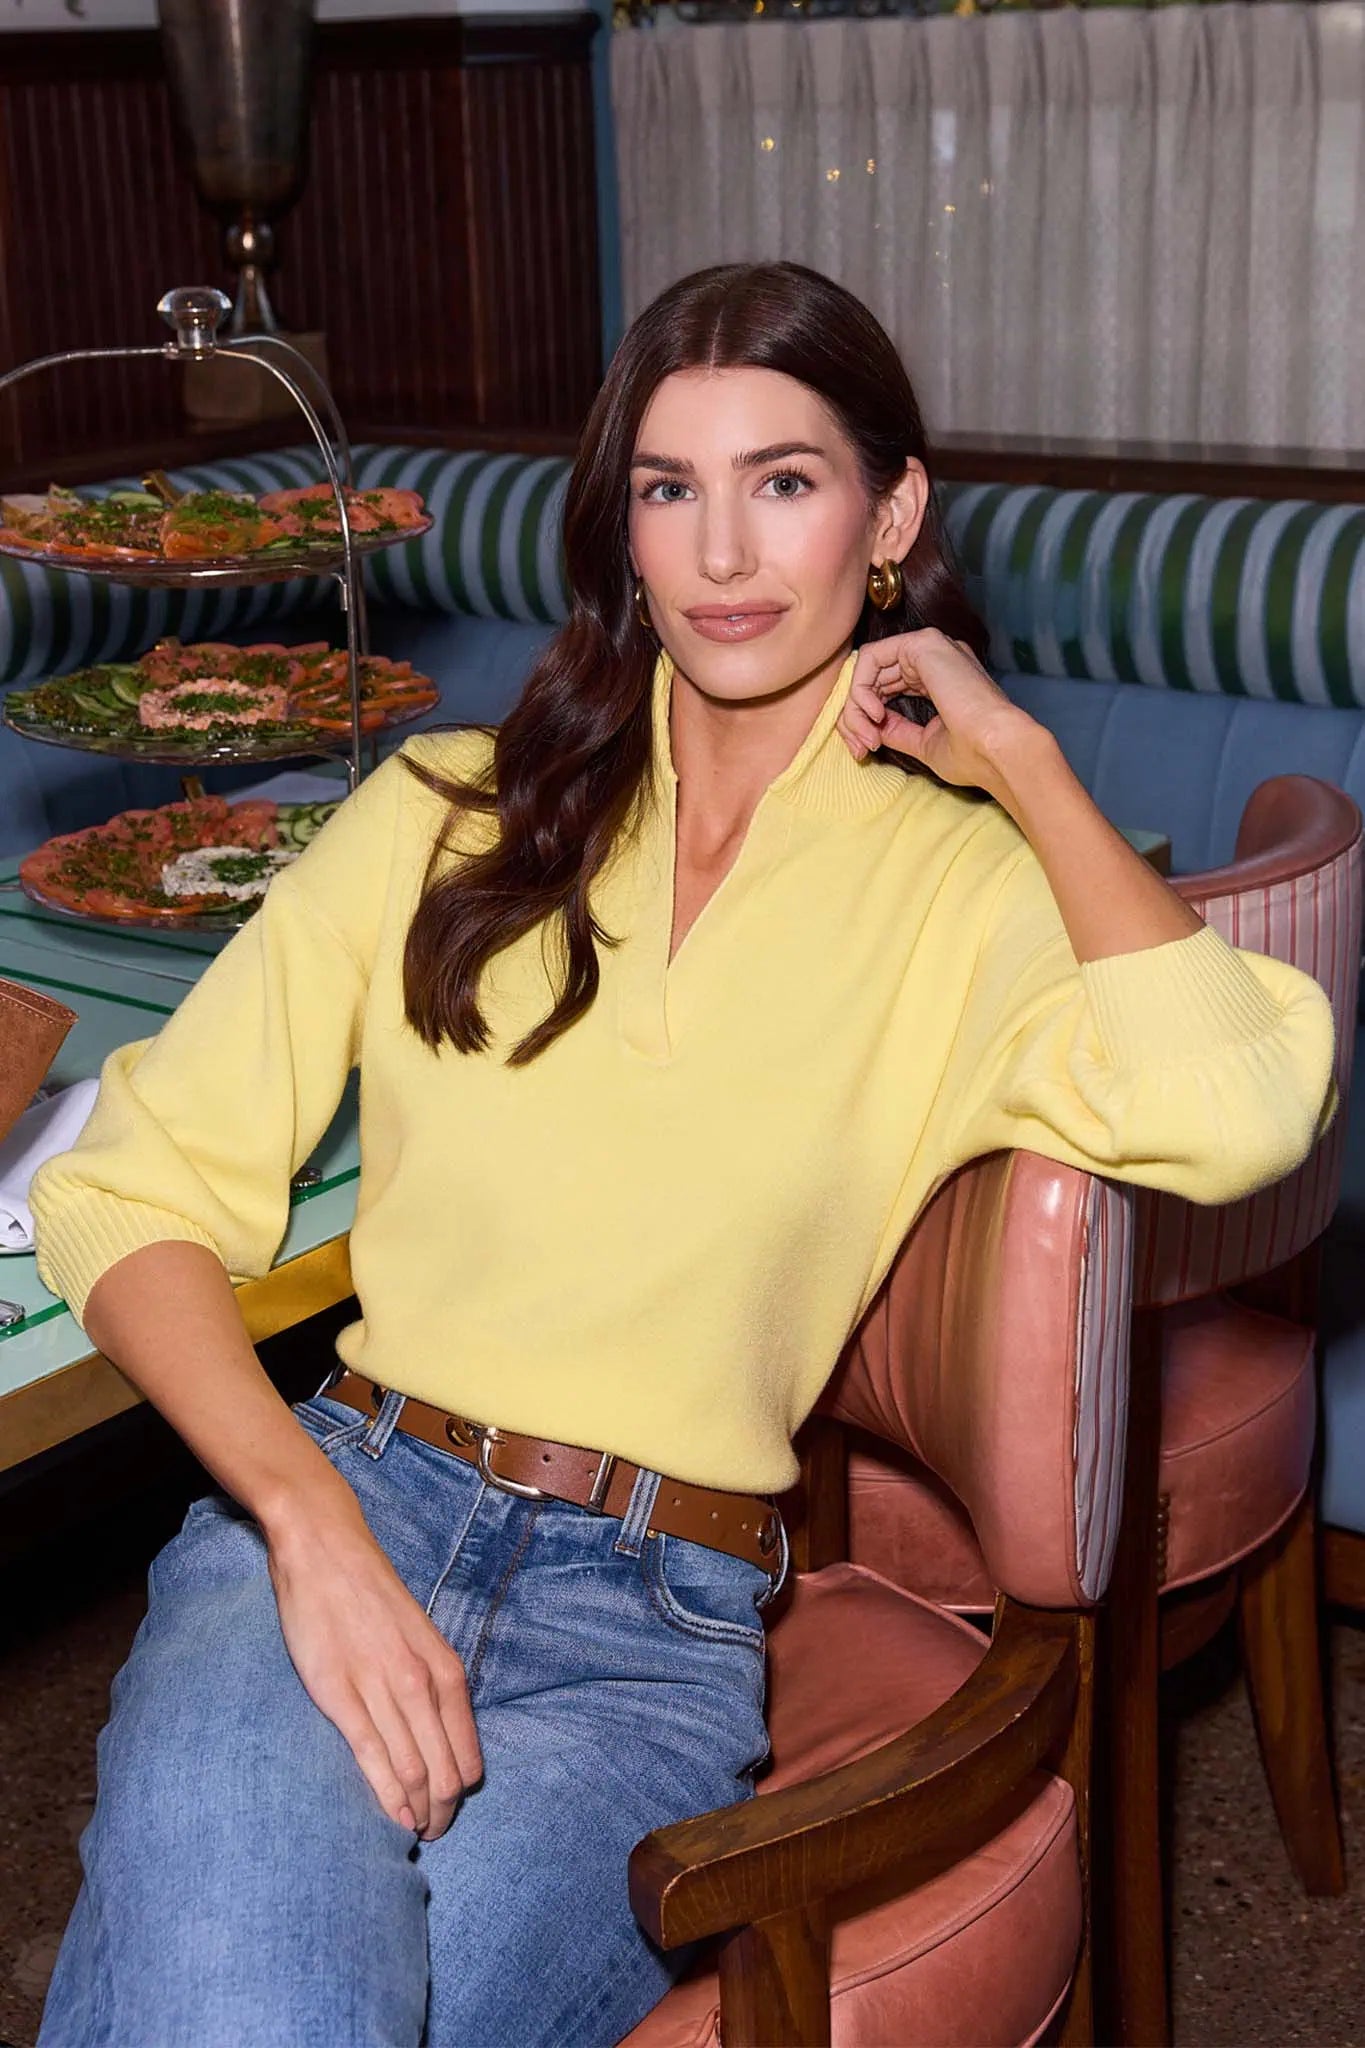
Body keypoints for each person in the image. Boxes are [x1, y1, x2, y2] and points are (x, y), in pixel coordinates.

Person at [31, 261, 1333, 2048]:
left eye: (782, 481)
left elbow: (1248, 1108)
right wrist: (308, 1526)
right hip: (341, 1509)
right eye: (669, 487)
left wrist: (1023, 760)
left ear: (891, 519)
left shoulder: (970, 895)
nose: (721, 552)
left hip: (649, 1629)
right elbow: (125, 1189)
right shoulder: (444, 809)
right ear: (621, 532)